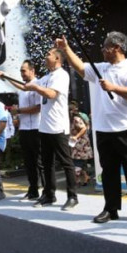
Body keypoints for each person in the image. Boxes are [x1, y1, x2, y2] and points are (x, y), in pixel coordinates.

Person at [56, 32, 127, 225]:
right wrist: (65, 49)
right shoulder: (101, 68)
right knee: (109, 171)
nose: (102, 50)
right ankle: (111, 209)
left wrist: (114, 88)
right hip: (104, 128)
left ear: (116, 48)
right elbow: (81, 68)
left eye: (105, 46)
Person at [22, 47, 78, 210]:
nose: (45, 56)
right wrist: (4, 77)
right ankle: (49, 195)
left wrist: (35, 88)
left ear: (57, 59)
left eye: (48, 54)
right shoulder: (46, 77)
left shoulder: (62, 75)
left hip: (58, 127)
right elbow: (26, 87)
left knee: (66, 163)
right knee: (47, 164)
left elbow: (52, 94)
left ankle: (72, 196)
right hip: (45, 128)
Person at [1, 60, 44, 200]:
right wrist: (5, 76)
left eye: (24, 70)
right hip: (25, 129)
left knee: (39, 162)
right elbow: (19, 85)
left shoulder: (39, 85)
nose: (21, 73)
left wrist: (18, 110)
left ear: (32, 71)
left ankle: (46, 190)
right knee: (29, 162)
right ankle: (33, 190)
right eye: (20, 71)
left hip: (37, 129)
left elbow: (38, 108)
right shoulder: (22, 89)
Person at [70, 112, 93, 186]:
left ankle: (76, 180)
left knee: (77, 162)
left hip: (80, 144)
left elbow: (84, 128)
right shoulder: (70, 119)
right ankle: (85, 178)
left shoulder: (76, 119)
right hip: (77, 144)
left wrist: (76, 136)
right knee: (81, 162)